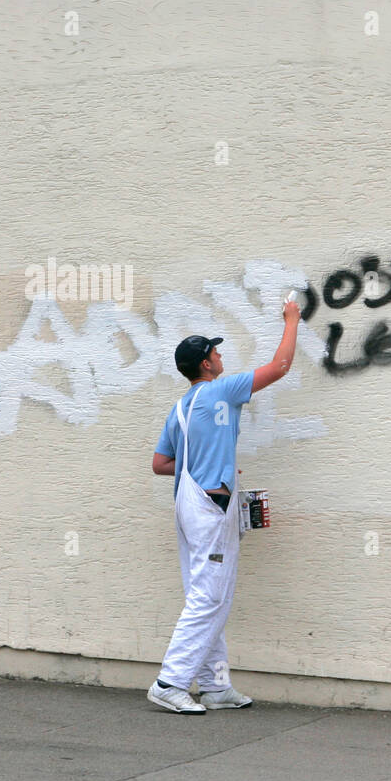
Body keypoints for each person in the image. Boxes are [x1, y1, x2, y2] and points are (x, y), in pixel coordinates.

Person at [147, 291, 301, 714]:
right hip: (210, 507)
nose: (219, 355)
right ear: (205, 364)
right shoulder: (223, 390)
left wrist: (213, 465)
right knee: (210, 597)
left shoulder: (179, 408)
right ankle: (170, 682)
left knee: (210, 592)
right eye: (214, 351)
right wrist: (292, 319)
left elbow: (161, 464)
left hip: (189, 503)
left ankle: (214, 686)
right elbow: (280, 367)